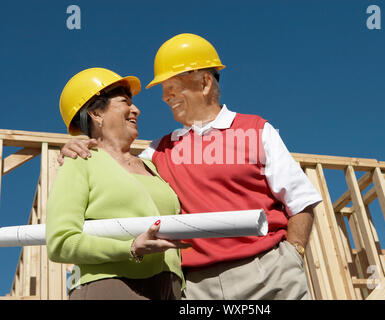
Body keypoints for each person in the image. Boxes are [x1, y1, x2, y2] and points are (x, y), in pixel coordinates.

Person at [59, 34, 323, 300]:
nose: (164, 97)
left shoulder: (256, 131)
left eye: (171, 87)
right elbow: (116, 165)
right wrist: (77, 146)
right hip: (197, 287)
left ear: (205, 82)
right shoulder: (159, 151)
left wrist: (294, 254)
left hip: (267, 274)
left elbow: (300, 201)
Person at [46, 67, 189, 300]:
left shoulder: (151, 167)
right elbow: (60, 242)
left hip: (169, 287)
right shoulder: (80, 161)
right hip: (111, 287)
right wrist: (129, 248)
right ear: (96, 114)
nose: (136, 109)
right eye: (125, 102)